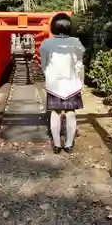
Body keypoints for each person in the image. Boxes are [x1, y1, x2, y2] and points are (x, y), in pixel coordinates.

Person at [39, 12, 85, 154]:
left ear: (53, 27)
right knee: (71, 113)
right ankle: (69, 144)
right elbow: (79, 63)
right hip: (72, 84)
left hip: (54, 85)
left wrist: (50, 75)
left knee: (55, 112)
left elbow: (44, 64)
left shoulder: (46, 44)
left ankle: (57, 144)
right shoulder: (76, 42)